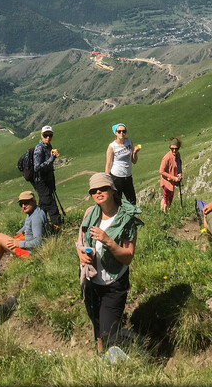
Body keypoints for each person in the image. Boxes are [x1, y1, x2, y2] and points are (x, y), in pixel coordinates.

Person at [76, 172, 143, 354]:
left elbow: (128, 256)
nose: (98, 192)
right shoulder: (90, 213)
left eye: (103, 188)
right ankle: (102, 355)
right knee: (96, 322)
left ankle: (119, 352)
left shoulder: (126, 219)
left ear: (112, 190)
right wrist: (81, 256)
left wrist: (108, 241)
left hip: (113, 283)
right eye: (93, 191)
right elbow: (80, 242)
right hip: (91, 280)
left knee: (108, 334)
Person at [0, 190, 50, 276]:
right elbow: (27, 227)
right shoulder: (34, 212)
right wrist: (19, 234)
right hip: (30, 249)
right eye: (21, 204)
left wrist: (19, 243)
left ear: (33, 201)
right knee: (1, 238)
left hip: (32, 254)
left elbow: (38, 243)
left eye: (26, 203)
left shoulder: (36, 217)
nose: (23, 206)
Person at [32, 124, 62, 230]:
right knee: (52, 207)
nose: (48, 137)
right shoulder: (39, 149)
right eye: (45, 135)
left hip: (48, 182)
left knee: (42, 207)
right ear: (41, 135)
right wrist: (52, 158)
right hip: (41, 182)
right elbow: (37, 167)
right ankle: (59, 229)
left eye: (50, 135)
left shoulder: (49, 146)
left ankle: (37, 227)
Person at [105, 123, 141, 205]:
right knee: (116, 202)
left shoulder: (129, 142)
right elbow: (108, 164)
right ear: (115, 133)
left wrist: (135, 152)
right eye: (119, 131)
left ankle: (131, 217)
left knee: (132, 201)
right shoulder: (112, 146)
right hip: (116, 177)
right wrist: (107, 180)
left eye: (124, 131)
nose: (122, 133)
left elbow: (134, 161)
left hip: (128, 176)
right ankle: (118, 217)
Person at [159, 137, 183, 212]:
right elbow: (161, 171)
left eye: (176, 148)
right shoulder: (167, 158)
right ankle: (164, 213)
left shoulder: (178, 155)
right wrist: (173, 178)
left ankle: (163, 212)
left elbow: (179, 166)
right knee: (166, 199)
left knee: (169, 198)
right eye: (172, 148)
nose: (174, 150)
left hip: (172, 182)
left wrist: (180, 174)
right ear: (170, 148)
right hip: (167, 182)